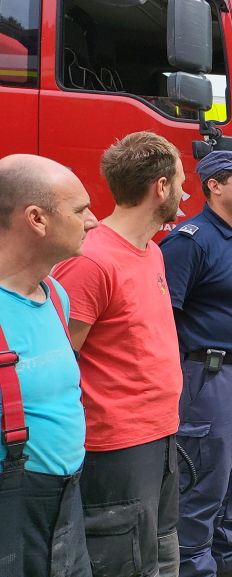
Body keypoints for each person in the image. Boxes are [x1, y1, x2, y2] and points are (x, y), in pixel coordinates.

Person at [52, 132, 184, 577]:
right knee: (123, 562)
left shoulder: (153, 253)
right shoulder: (91, 260)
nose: (186, 191)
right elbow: (60, 358)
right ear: (161, 187)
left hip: (160, 435)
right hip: (115, 449)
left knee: (161, 551)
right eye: (181, 181)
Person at [159, 150, 232, 577]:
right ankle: (194, 564)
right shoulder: (190, 241)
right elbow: (164, 319)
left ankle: (230, 553)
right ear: (214, 185)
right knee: (205, 478)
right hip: (211, 378)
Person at [0, 154, 97, 577]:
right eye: (80, 210)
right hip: (13, 507)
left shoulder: (56, 294)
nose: (92, 221)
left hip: (68, 497)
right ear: (37, 219)